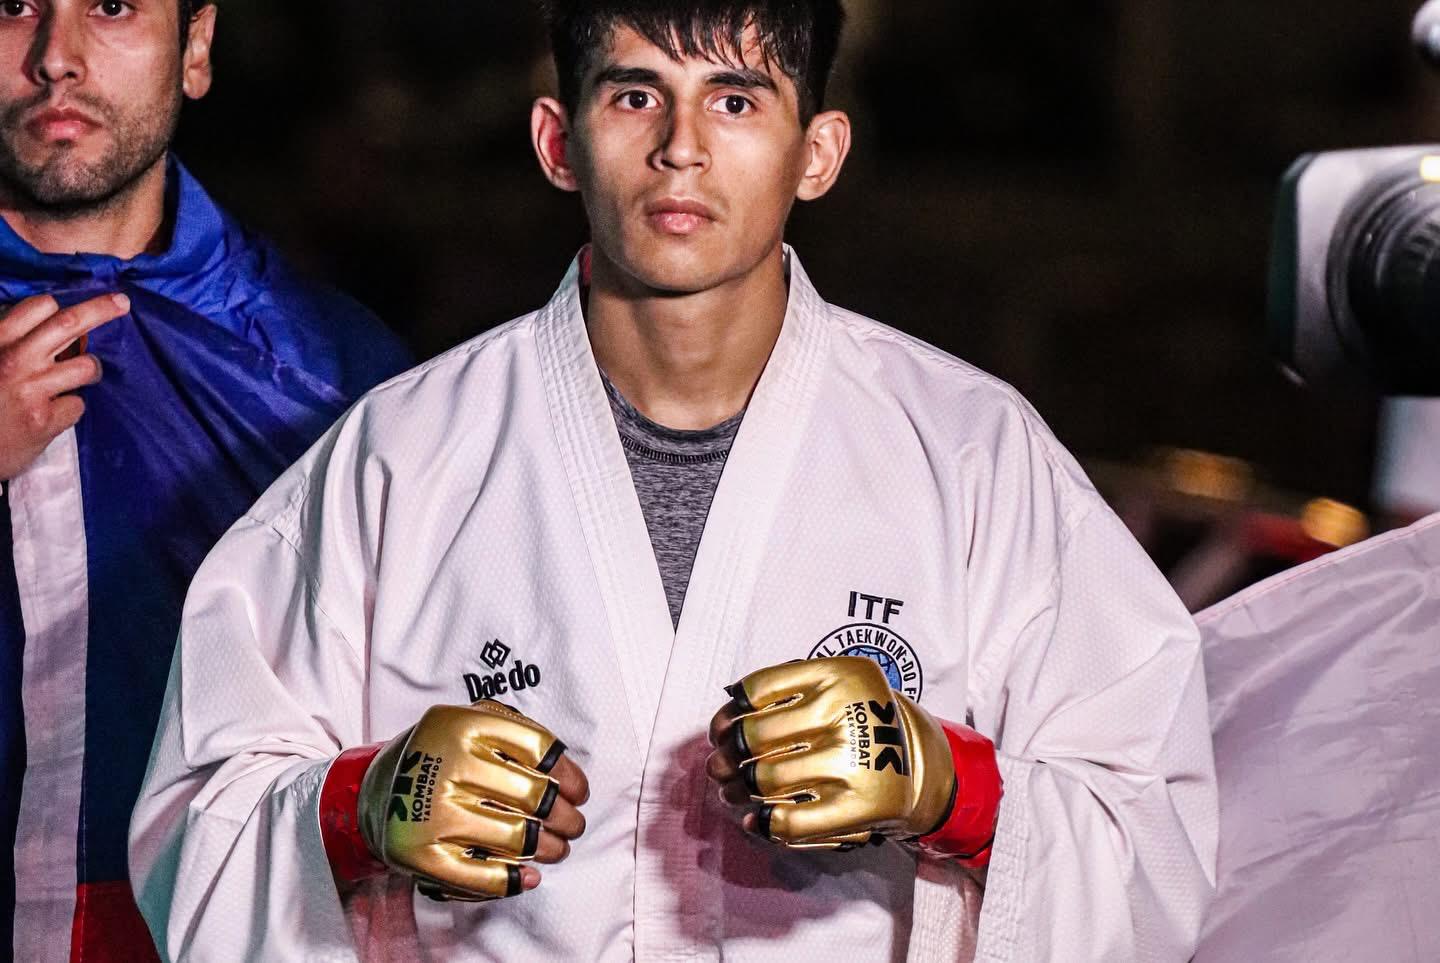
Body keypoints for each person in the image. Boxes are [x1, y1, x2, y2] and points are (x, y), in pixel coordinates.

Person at [130, 1, 1217, 959]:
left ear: (818, 152)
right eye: (637, 95)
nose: (682, 149)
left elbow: (1155, 832)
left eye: (737, 101)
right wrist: (354, 808)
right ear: (559, 141)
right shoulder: (400, 455)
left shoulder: (974, 453)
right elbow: (195, 819)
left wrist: (949, 785)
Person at [0, 1, 410, 960]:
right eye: (14, 5)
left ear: (196, 49)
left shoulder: (339, 373)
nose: (57, 57)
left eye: (111, 8)